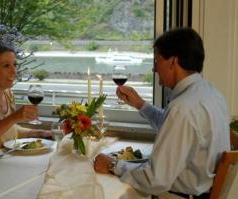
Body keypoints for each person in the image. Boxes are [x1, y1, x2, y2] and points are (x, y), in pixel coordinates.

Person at [94, 28, 230, 198]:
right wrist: (141, 105)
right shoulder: (211, 93)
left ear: (173, 62)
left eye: (157, 61)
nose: (154, 69)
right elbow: (177, 129)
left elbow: (155, 180)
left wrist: (113, 165)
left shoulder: (182, 108)